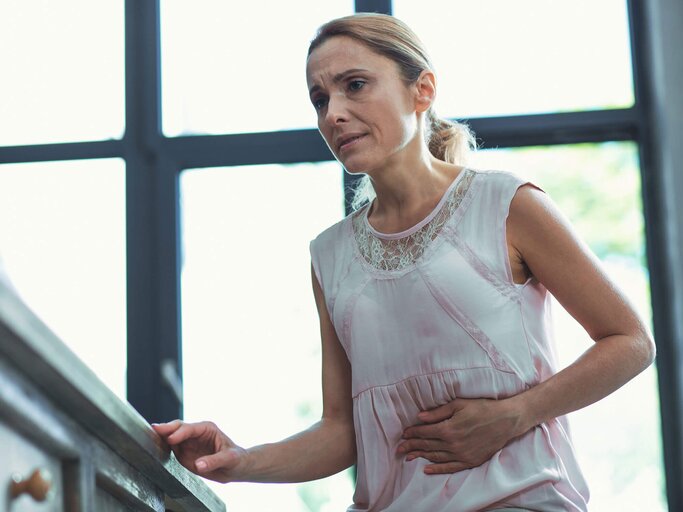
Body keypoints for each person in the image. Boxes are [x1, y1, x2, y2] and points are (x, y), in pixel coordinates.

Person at [152, 13, 656, 511]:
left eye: (355, 85)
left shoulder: (506, 202)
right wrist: (239, 461)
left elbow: (630, 341)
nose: (333, 114)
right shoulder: (329, 256)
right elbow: (342, 429)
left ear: (423, 90)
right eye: (320, 99)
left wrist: (517, 414)